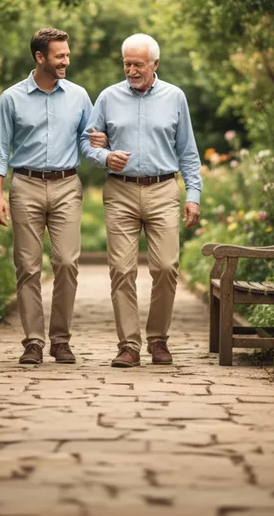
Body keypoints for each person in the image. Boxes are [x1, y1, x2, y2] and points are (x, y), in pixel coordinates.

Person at [86, 33, 201, 367]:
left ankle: (158, 340)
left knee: (166, 267)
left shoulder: (175, 97)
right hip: (120, 191)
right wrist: (105, 157)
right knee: (122, 270)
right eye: (127, 63)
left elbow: (188, 153)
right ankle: (129, 346)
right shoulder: (107, 98)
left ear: (155, 64)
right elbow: (88, 143)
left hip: (163, 189)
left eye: (138, 64)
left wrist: (193, 195)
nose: (131, 70)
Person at [0, 27, 95, 365]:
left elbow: (87, 142)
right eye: (60, 55)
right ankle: (33, 342)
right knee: (27, 267)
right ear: (40, 57)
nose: (66, 60)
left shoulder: (79, 96)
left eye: (67, 54)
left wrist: (101, 148)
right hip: (26, 185)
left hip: (66, 185)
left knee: (66, 262)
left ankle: (60, 340)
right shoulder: (12, 98)